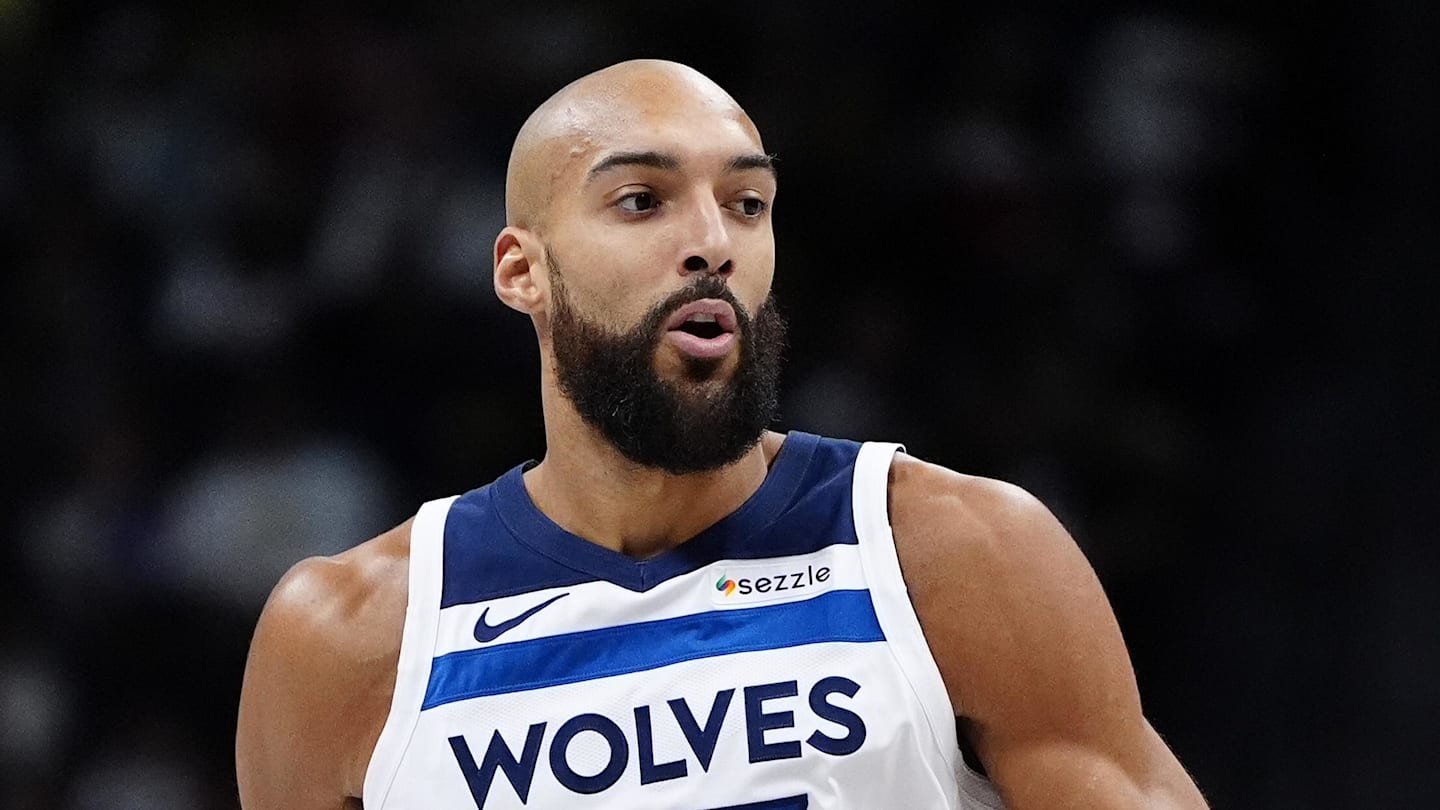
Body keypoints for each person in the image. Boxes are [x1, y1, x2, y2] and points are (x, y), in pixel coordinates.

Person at [235, 59, 1208, 810]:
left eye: (747, 202)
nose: (713, 239)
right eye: (642, 200)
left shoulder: (958, 556)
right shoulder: (348, 640)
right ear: (522, 271)